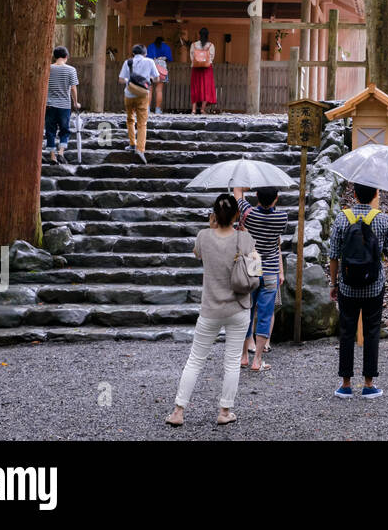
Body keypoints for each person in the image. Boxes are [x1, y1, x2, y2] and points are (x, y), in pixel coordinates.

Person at [166, 194, 255, 427]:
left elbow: (198, 254)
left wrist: (211, 227)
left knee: (195, 360)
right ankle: (224, 411)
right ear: (237, 215)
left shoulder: (203, 237)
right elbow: (256, 272)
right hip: (238, 307)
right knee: (232, 361)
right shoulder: (245, 239)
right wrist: (243, 238)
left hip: (210, 308)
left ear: (214, 215)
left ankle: (178, 411)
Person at [328, 182, 388, 399]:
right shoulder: (382, 219)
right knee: (372, 331)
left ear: (354, 194)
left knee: (347, 332)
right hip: (374, 286)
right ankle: (368, 384)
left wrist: (333, 284)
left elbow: (334, 255)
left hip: (347, 286)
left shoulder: (342, 218)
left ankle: (345, 384)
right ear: (376, 194)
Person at [234, 185, 290, 372]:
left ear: (257, 195)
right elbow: (277, 240)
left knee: (247, 312)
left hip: (253, 263)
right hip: (271, 268)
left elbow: (237, 196)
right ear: (276, 198)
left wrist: (240, 186)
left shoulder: (248, 214)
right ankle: (257, 360)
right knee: (265, 314)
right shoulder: (282, 217)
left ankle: (243, 356)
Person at [118, 44, 159, 164]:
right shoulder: (150, 62)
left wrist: (129, 81)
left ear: (133, 53)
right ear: (145, 53)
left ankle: (132, 144)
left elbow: (120, 80)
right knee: (142, 123)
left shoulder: (128, 62)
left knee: (130, 119)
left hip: (129, 94)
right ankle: (140, 149)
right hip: (143, 95)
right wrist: (149, 79)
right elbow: (156, 78)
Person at [44, 45, 80, 164]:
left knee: (50, 131)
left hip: (49, 105)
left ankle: (53, 157)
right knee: (65, 130)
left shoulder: (48, 69)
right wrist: (75, 103)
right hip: (64, 106)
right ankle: (61, 153)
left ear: (54, 57)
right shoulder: (71, 70)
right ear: (66, 56)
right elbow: (73, 89)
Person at [189, 27, 217, 115]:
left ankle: (193, 110)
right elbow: (211, 57)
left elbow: (192, 57)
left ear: (199, 34)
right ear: (207, 35)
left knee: (195, 87)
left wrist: (197, 62)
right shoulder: (210, 45)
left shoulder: (194, 45)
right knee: (206, 88)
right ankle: (202, 109)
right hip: (207, 69)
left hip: (196, 69)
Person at [146, 35, 174, 115]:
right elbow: (170, 58)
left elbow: (147, 57)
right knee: (159, 90)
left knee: (149, 90)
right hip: (162, 68)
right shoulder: (166, 47)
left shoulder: (150, 46)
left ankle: (147, 109)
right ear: (163, 41)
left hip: (151, 66)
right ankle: (157, 110)